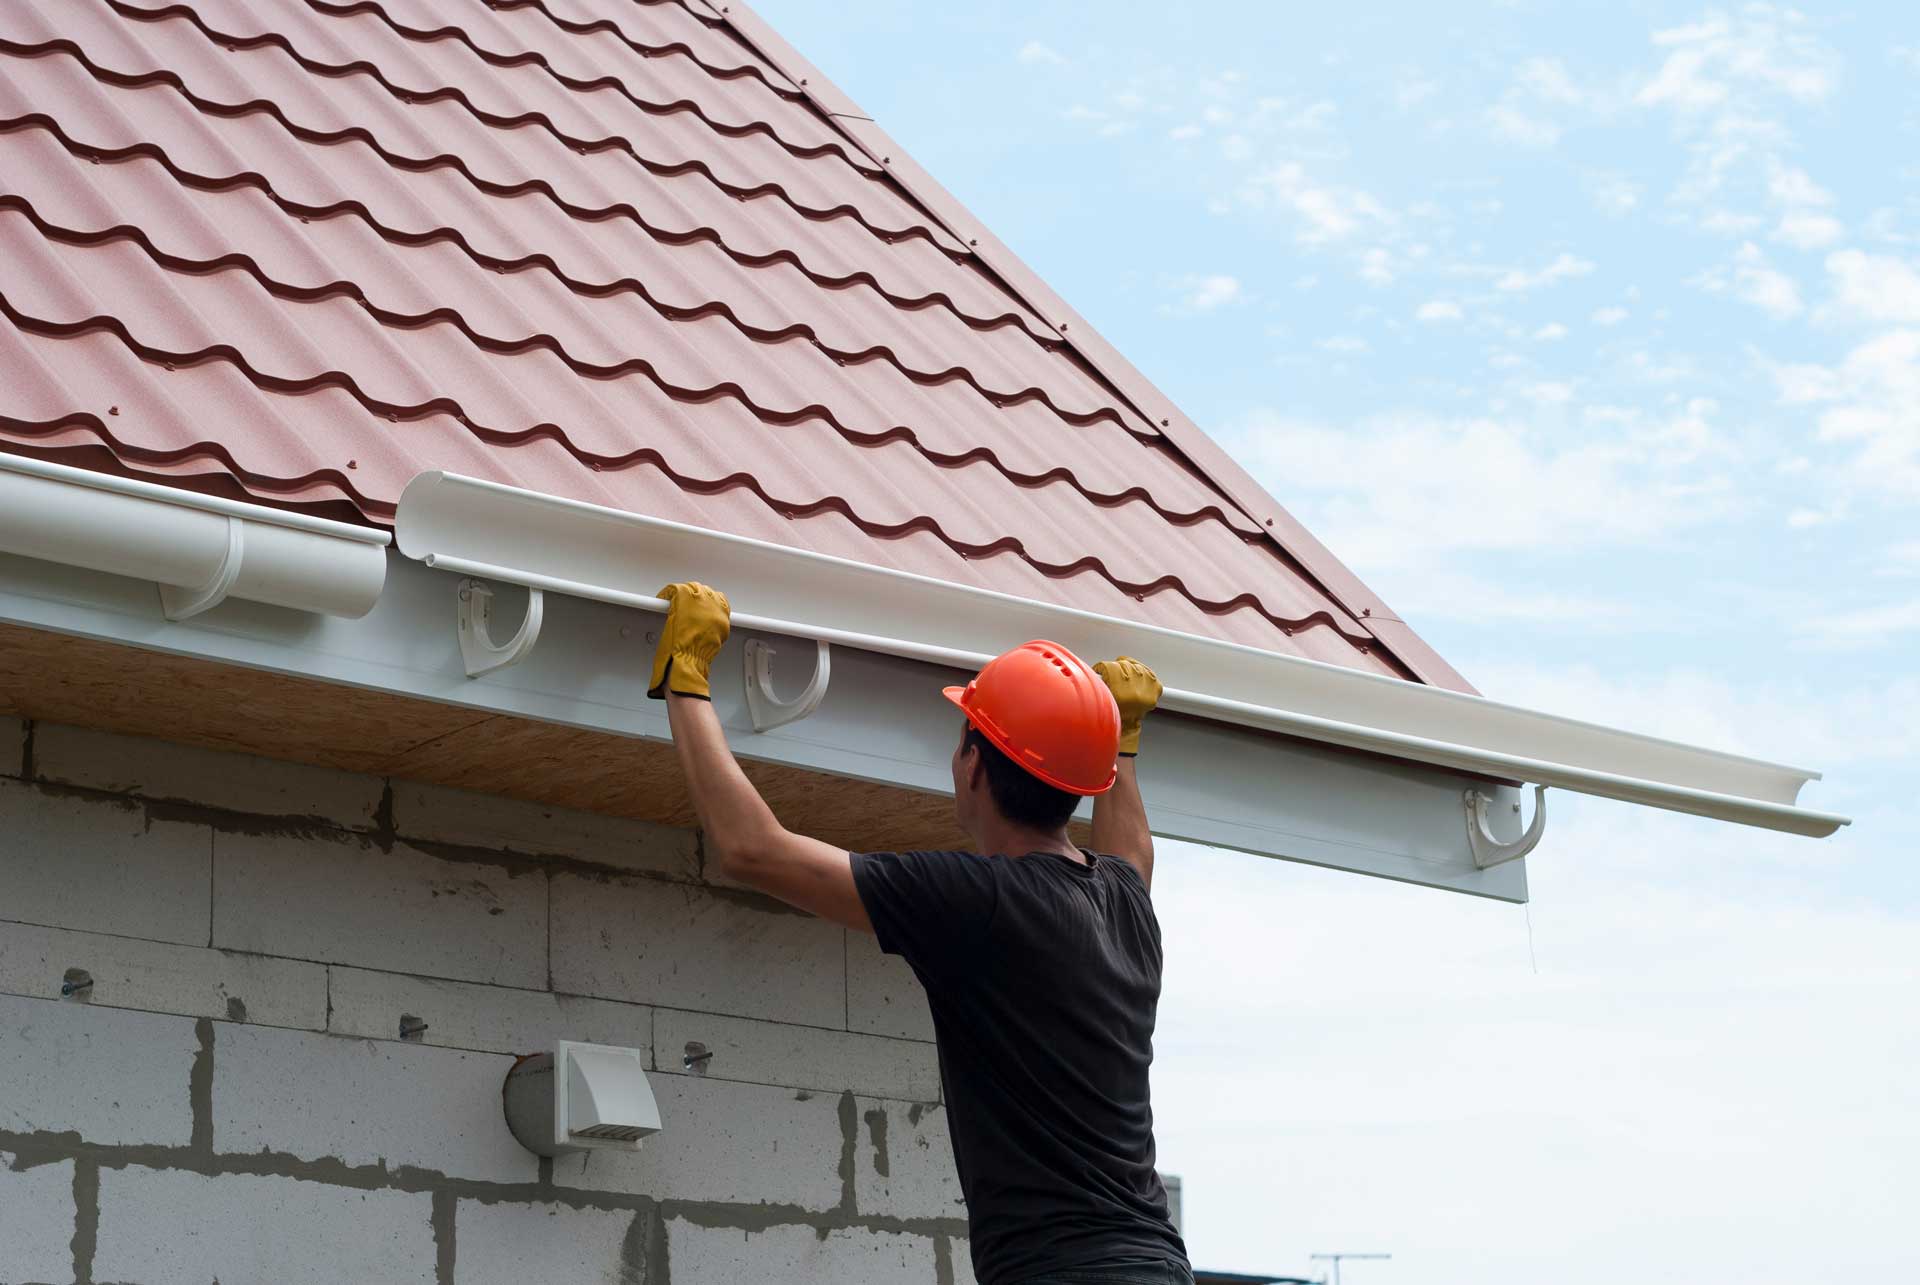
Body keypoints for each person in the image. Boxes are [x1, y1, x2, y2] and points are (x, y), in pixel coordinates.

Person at [650, 581, 1192, 1285]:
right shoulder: (1124, 904)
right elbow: (1133, 851)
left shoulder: (982, 901)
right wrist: (1120, 738)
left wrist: (686, 678)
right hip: (1155, 1262)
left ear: (974, 762)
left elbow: (754, 849)